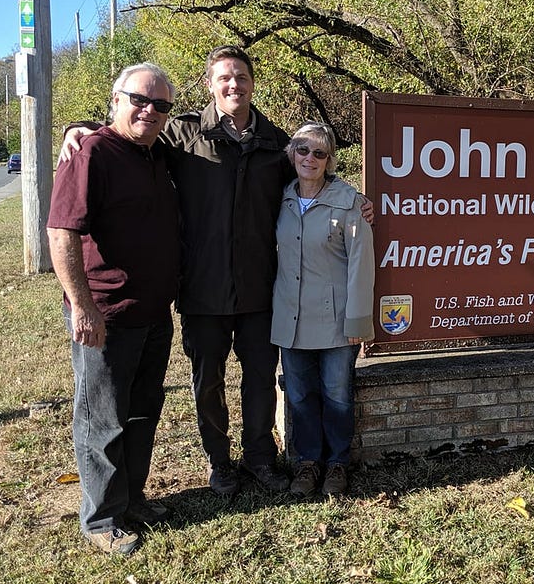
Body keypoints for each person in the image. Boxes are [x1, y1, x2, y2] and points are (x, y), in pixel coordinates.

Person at [62, 45, 373, 497]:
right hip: (201, 289)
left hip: (261, 292)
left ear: (252, 84)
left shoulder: (275, 144)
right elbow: (131, 132)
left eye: (242, 77)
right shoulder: (183, 136)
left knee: (261, 382)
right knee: (208, 384)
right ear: (210, 84)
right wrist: (80, 128)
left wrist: (356, 200)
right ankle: (220, 462)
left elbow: (314, 174)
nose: (234, 85)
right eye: (224, 77)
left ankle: (261, 458)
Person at [48, 63, 180, 555]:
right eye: (139, 100)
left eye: (160, 105)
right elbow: (61, 231)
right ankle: (101, 518)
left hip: (153, 312)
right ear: (116, 100)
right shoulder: (90, 152)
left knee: (143, 413)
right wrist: (83, 308)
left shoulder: (157, 154)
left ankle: (132, 498)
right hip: (105, 313)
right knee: (101, 419)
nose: (150, 110)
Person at [272, 123, 375, 497]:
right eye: (303, 150)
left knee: (337, 395)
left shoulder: (350, 203)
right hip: (291, 317)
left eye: (319, 153)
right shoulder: (279, 199)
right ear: (291, 154)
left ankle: (336, 464)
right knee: (299, 395)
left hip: (336, 321)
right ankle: (307, 463)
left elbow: (361, 264)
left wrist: (358, 322)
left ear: (330, 159)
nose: (310, 159)